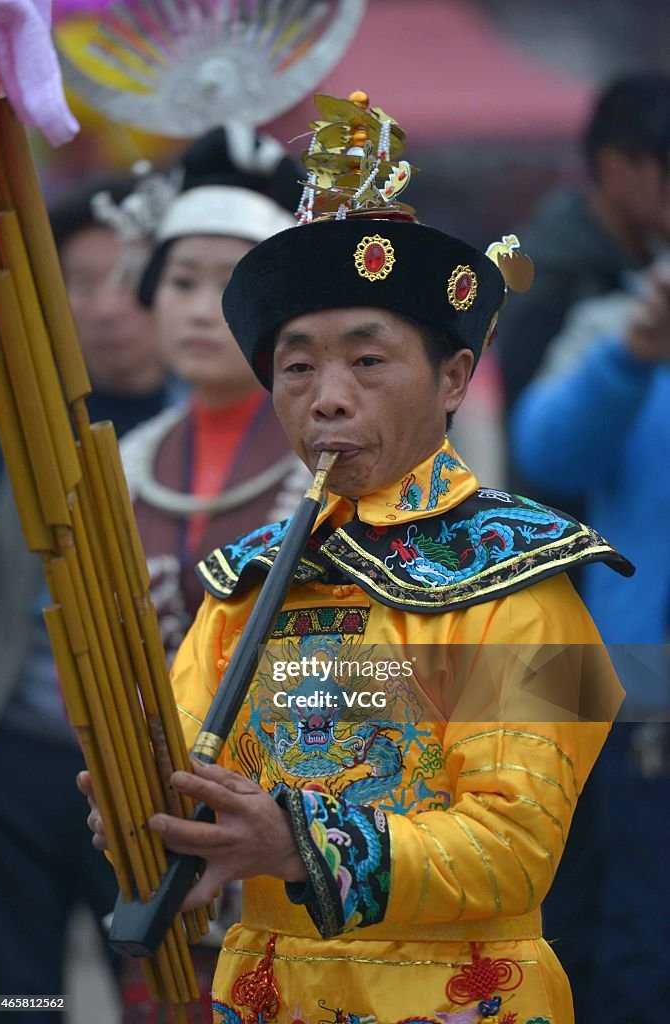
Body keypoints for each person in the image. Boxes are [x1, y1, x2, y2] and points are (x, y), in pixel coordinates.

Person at [81, 93, 630, 1024]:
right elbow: (193, 774)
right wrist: (153, 815)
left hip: (461, 995)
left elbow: (517, 844)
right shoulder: (243, 581)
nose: (328, 399)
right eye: (298, 369)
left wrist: (296, 845)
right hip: (263, 992)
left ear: (454, 378)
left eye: (369, 363)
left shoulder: (533, 577)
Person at [115, 125, 310, 1022]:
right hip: (145, 810)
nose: (200, 311)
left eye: (229, 288)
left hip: (295, 813)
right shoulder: (118, 465)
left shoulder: (330, 468)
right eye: (182, 282)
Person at [0, 176, 181, 1021]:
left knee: (164, 991)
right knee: (16, 995)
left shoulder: (212, 426)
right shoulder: (9, 423)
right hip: (18, 761)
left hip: (155, 767)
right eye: (79, 279)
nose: (105, 305)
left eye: (130, 276)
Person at [510, 263, 670, 1023]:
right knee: (638, 940)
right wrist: (634, 351)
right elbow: (545, 451)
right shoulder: (614, 320)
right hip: (644, 692)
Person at [498, 72, 670, 505]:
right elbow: (534, 447)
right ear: (615, 169)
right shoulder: (549, 276)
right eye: (666, 168)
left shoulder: (643, 264)